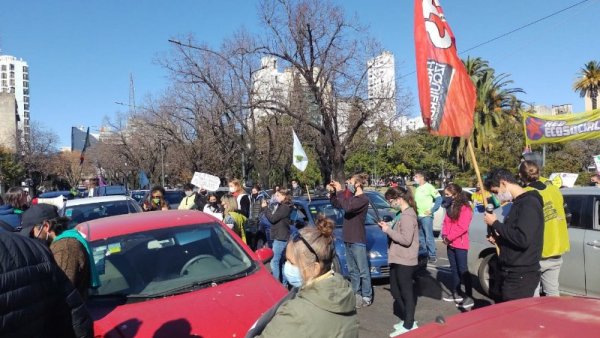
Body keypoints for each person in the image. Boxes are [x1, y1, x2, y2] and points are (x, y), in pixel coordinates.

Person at [250, 216, 359, 338]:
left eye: (291, 262)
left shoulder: (295, 314)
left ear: (315, 268)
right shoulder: (344, 295)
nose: (287, 266)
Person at [0, 231, 94, 337]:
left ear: (46, 226)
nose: (33, 235)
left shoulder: (64, 247)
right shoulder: (35, 249)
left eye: (33, 231)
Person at [483, 169, 544, 302]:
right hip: (511, 269)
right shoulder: (518, 203)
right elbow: (515, 235)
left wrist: (495, 223)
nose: (496, 196)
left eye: (495, 191)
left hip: (521, 274)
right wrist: (499, 240)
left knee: (513, 317)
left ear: (503, 183)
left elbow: (522, 239)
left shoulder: (529, 203)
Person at [21, 204, 100, 300]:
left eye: (32, 233)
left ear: (46, 226)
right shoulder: (63, 241)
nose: (32, 237)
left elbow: (61, 290)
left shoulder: (65, 246)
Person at [519, 161, 569, 297]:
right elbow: (567, 216)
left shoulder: (526, 194)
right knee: (552, 292)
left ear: (520, 175)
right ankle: (552, 318)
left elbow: (524, 228)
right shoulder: (554, 190)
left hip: (537, 253)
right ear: (538, 172)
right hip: (557, 250)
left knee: (533, 295)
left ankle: (535, 318)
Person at [379, 187, 419, 336]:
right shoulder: (401, 214)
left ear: (399, 199)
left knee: (406, 292)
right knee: (396, 291)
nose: (390, 204)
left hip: (405, 260)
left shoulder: (407, 216)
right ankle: (407, 319)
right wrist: (388, 227)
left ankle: (409, 324)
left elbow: (406, 240)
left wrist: (388, 231)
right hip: (397, 258)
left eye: (391, 201)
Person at [329, 173, 372, 308]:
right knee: (353, 270)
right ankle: (355, 292)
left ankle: (367, 295)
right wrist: (333, 193)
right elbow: (338, 204)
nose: (349, 185)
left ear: (358, 184)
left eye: (351, 182)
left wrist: (341, 190)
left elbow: (348, 207)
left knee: (363, 269)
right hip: (348, 238)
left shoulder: (362, 199)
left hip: (357, 238)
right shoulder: (351, 198)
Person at [440, 183, 474, 308]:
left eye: (448, 194)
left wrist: (449, 238)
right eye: (445, 194)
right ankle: (456, 291)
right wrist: (444, 235)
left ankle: (469, 296)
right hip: (450, 243)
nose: (446, 196)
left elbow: (462, 227)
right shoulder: (449, 206)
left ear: (456, 194)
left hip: (460, 243)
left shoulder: (465, 208)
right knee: (454, 270)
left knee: (463, 270)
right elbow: (445, 222)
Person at [261, 188, 292, 284]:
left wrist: (265, 208)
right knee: (281, 261)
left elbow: (273, 219)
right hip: (280, 235)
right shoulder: (282, 206)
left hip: (281, 237)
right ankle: (283, 283)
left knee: (274, 261)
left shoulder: (284, 207)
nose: (276, 197)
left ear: (284, 196)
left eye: (278, 195)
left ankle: (276, 283)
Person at [413, 171, 442, 264]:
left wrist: (432, 210)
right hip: (418, 215)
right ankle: (424, 254)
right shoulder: (417, 188)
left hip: (427, 216)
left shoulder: (429, 187)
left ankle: (432, 255)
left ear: (422, 178)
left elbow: (439, 199)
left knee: (429, 236)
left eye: (416, 177)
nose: (415, 178)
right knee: (421, 236)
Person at [248, 184, 266, 250]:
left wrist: (260, 217)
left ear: (258, 191)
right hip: (251, 219)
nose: (253, 193)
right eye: (252, 191)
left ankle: (257, 248)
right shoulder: (251, 198)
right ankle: (253, 248)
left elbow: (264, 209)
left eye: (255, 191)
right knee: (252, 235)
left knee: (257, 235)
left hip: (258, 220)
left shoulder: (262, 198)